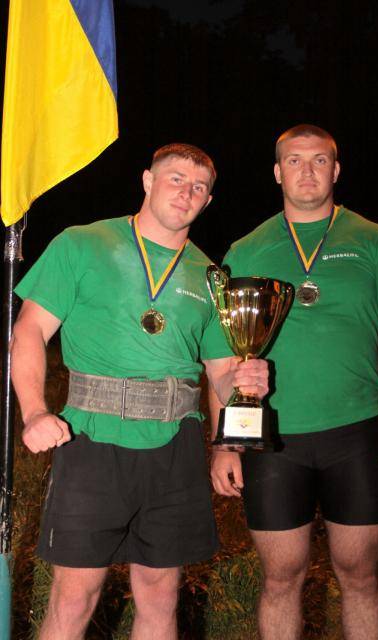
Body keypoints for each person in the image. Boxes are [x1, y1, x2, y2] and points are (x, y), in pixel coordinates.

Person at [10, 143, 268, 640]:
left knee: (160, 594)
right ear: (148, 181)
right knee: (75, 596)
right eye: (176, 179)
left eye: (199, 187)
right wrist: (35, 412)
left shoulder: (211, 276)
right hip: (92, 439)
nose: (186, 192)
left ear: (208, 202)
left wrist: (234, 420)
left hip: (175, 446)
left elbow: (218, 371)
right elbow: (29, 331)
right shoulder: (82, 244)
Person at [210, 125, 378, 640]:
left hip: (354, 435)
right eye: (294, 160)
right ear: (276, 172)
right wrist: (223, 441)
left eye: (318, 160)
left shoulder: (374, 242)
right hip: (273, 441)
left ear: (336, 170)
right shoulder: (247, 249)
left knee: (360, 576)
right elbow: (223, 359)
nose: (306, 171)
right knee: (280, 577)